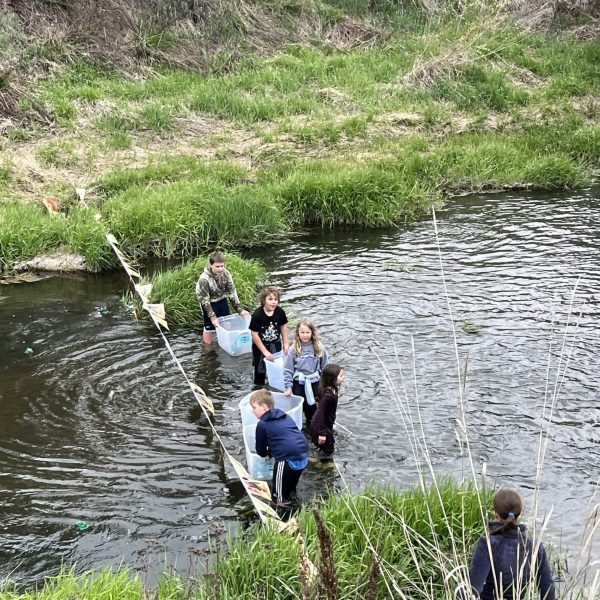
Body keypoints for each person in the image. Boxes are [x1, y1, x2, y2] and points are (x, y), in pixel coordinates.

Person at [457, 488, 556, 600]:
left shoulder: (487, 544)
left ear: (495, 513)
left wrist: (458, 588)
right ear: (520, 513)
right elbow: (548, 589)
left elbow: (472, 591)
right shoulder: (535, 546)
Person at [251, 389, 308, 506]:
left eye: (254, 407)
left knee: (278, 496)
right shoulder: (284, 416)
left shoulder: (262, 424)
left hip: (286, 458)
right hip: (303, 452)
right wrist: (272, 452)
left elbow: (260, 449)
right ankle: (292, 498)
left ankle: (281, 510)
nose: (252, 411)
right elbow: (285, 438)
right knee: (291, 486)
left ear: (264, 407)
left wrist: (266, 454)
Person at [195, 251, 249, 345]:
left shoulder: (226, 274)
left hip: (221, 298)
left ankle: (225, 342)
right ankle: (207, 349)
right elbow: (205, 300)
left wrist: (240, 309)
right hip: (208, 302)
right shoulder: (204, 279)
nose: (220, 269)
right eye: (217, 266)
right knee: (210, 327)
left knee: (227, 321)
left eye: (222, 266)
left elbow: (232, 291)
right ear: (211, 265)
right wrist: (213, 317)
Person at [283, 317, 329, 427]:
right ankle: (299, 426)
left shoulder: (319, 347)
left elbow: (325, 367)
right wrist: (288, 387)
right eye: (302, 332)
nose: (305, 335)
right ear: (298, 333)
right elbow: (288, 369)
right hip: (299, 382)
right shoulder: (294, 349)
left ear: (312, 332)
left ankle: (311, 426)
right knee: (299, 406)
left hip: (314, 382)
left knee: (312, 407)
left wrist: (327, 385)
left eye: (307, 332)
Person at [249, 286, 289, 386]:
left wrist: (286, 343)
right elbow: (254, 334)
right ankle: (259, 388)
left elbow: (283, 326)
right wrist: (265, 351)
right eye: (270, 299)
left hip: (276, 344)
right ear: (264, 300)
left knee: (277, 368)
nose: (273, 302)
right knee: (260, 372)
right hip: (260, 347)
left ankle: (274, 385)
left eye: (276, 299)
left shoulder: (280, 312)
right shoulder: (257, 315)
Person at [310, 364, 344, 461]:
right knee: (329, 449)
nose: (343, 378)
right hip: (320, 426)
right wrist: (322, 433)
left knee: (324, 447)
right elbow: (321, 413)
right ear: (332, 379)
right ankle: (324, 465)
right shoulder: (327, 396)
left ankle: (319, 457)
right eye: (341, 376)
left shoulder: (333, 390)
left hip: (326, 423)